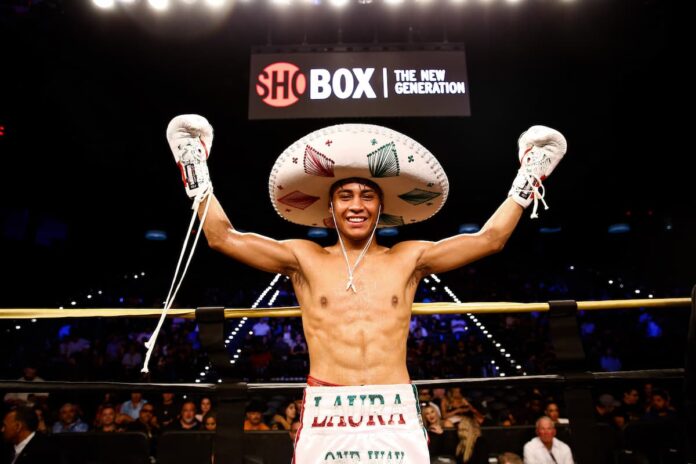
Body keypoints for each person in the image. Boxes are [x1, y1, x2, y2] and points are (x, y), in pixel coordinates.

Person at [165, 116, 567, 463]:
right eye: (345, 195)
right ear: (331, 208)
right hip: (327, 408)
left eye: (367, 195)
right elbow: (223, 237)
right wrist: (195, 166)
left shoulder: (408, 258)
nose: (356, 204)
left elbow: (489, 239)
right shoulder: (303, 258)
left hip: (394, 405)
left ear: (381, 207)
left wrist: (527, 178)